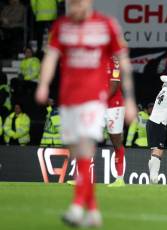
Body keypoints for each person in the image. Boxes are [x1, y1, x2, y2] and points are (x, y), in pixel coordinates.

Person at [35, 0, 137, 227]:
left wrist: (130, 100)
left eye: (78, 3)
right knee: (79, 147)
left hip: (100, 101)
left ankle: (78, 205)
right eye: (70, 4)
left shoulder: (106, 26)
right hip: (70, 98)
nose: (74, 8)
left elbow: (123, 67)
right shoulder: (62, 26)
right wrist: (43, 85)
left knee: (100, 142)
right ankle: (92, 210)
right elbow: (51, 56)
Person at [104, 56, 128, 187]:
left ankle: (120, 179)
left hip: (114, 106)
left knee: (116, 141)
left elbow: (114, 85)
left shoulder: (115, 62)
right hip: (99, 105)